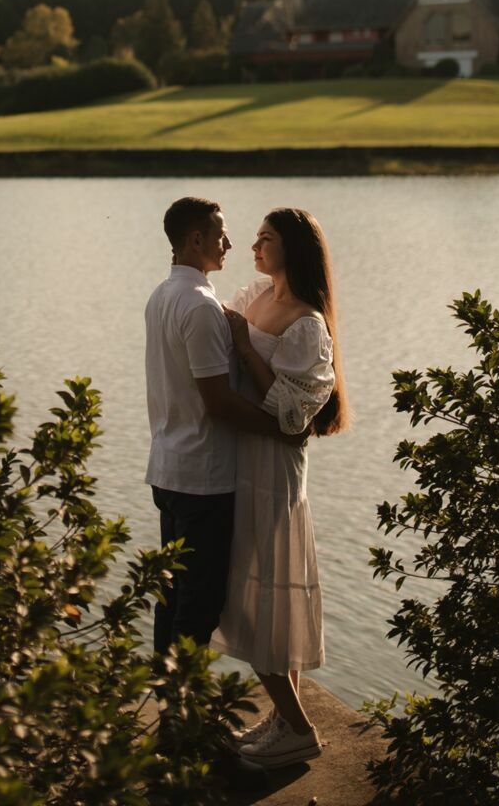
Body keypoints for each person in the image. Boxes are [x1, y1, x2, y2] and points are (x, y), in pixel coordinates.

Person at [212, 207, 349, 773]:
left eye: (266, 238)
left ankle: (298, 727)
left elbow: (293, 414)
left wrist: (247, 347)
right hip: (243, 458)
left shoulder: (308, 323)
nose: (254, 245)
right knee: (265, 597)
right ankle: (284, 720)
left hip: (274, 469)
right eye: (255, 238)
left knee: (258, 596)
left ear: (292, 246)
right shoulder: (254, 295)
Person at [145, 197, 305, 665]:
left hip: (169, 467)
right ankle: (187, 726)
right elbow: (217, 402)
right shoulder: (198, 307)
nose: (230, 243)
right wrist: (281, 430)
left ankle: (173, 715)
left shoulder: (162, 295)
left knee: (173, 598)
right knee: (199, 606)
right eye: (221, 234)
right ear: (196, 240)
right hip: (202, 478)